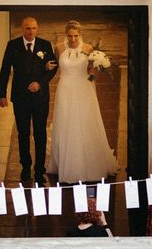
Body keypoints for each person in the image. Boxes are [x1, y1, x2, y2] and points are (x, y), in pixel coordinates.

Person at [46, 20, 118, 183]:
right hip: (65, 88)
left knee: (85, 123)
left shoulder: (88, 49)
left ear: (80, 34)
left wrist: (97, 69)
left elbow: (90, 72)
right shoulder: (58, 48)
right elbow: (54, 66)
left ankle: (88, 164)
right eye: (70, 36)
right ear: (66, 34)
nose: (72, 39)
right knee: (66, 123)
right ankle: (67, 164)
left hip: (84, 88)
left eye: (75, 36)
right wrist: (46, 68)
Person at [0, 16, 57, 184]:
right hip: (20, 97)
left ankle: (39, 169)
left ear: (37, 29)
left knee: (40, 132)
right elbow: (5, 70)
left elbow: (53, 68)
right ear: (22, 29)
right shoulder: (13, 45)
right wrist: (1, 94)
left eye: (34, 28)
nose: (31, 32)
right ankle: (25, 167)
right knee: (23, 133)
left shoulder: (45, 45)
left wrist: (40, 82)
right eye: (27, 28)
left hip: (40, 97)